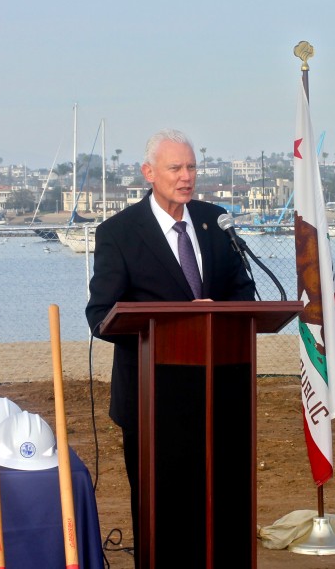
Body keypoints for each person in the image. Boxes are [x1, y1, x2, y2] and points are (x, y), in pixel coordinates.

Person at [86, 129, 256, 564]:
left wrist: (216, 311)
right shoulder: (119, 232)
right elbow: (100, 314)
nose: (186, 177)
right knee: (165, 512)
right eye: (175, 168)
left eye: (192, 167)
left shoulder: (215, 220)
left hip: (221, 392)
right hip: (153, 398)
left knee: (224, 503)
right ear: (149, 172)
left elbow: (244, 294)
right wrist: (173, 322)